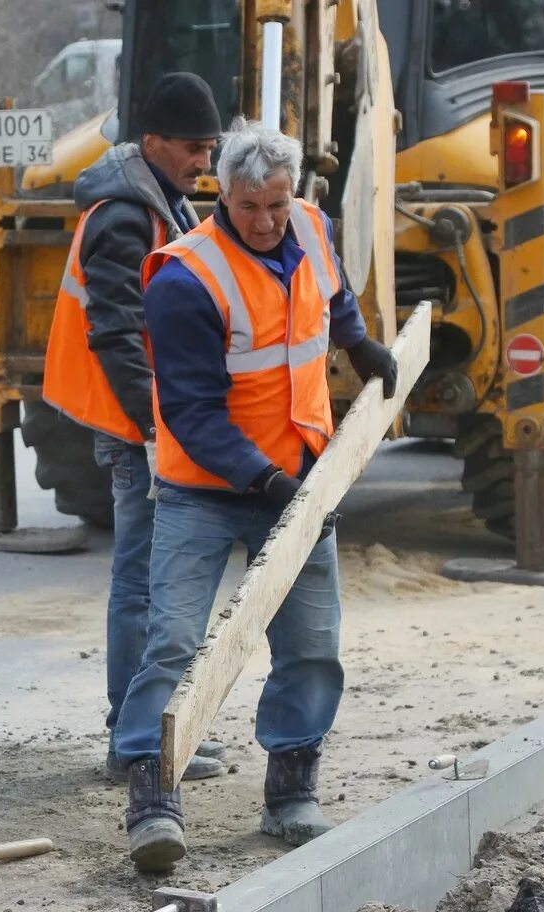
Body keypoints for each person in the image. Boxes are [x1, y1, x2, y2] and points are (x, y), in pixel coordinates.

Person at [113, 119, 398, 871]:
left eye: (277, 203)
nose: (268, 221)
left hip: (299, 476)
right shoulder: (185, 280)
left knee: (311, 644)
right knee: (174, 640)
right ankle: (152, 798)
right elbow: (193, 414)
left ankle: (292, 792)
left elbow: (329, 295)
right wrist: (267, 479)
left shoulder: (312, 225)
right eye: (250, 208)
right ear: (220, 198)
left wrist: (358, 340)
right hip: (203, 489)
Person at [41, 72, 229, 782]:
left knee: (155, 580)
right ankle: (135, 740)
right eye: (191, 146)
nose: (202, 161)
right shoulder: (126, 214)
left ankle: (149, 730)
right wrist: (155, 427)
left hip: (154, 420)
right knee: (145, 581)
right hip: (137, 426)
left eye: (209, 147)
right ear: (152, 141)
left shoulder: (157, 199)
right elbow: (117, 333)